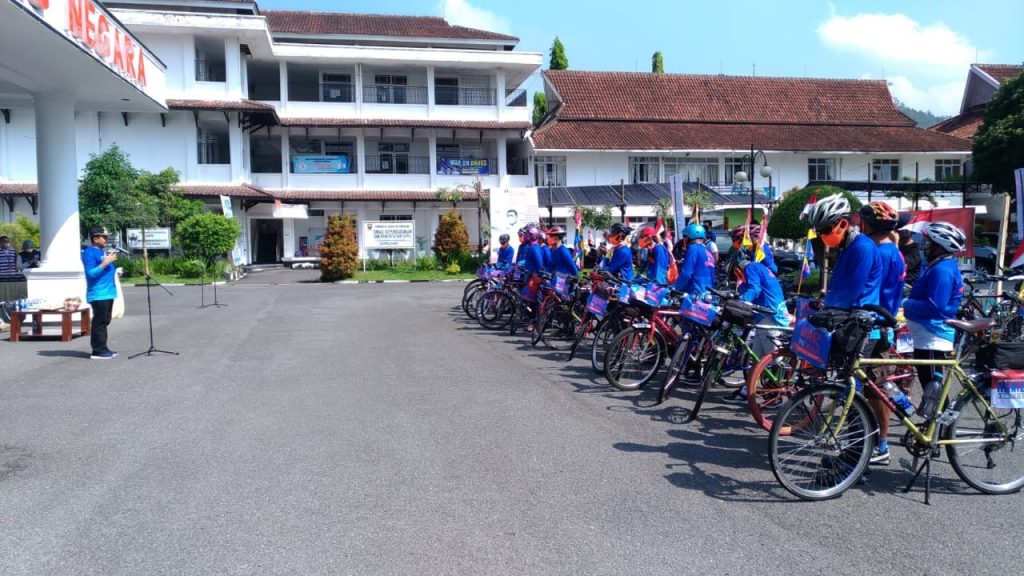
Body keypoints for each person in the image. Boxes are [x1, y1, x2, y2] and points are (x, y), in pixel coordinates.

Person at [859, 201, 907, 465]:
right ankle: (878, 443)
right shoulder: (894, 252)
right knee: (873, 386)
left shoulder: (879, 253)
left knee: (870, 388)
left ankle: (878, 445)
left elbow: (866, 290)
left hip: (872, 326)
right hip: (880, 323)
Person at [903, 221, 965, 419]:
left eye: (928, 243)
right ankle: (935, 431)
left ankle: (938, 433)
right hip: (927, 333)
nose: (924, 246)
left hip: (932, 335)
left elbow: (934, 306)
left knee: (933, 391)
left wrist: (907, 303)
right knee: (931, 387)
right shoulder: (938, 266)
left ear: (940, 247)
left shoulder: (941, 270)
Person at [722, 249, 791, 404]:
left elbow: (755, 289)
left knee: (772, 359)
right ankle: (747, 392)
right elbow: (746, 291)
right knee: (757, 360)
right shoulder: (756, 269)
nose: (737, 278)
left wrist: (739, 303)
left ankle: (775, 397)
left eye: (735, 274)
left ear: (738, 267)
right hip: (764, 317)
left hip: (772, 317)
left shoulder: (751, 267)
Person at [806, 195, 882, 311]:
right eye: (819, 231)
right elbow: (839, 286)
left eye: (826, 230)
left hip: (859, 320)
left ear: (843, 223)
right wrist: (825, 300)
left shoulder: (862, 247)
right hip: (842, 316)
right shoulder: (846, 246)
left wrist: (828, 306)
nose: (822, 235)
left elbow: (851, 291)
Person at [81, 227, 119, 360]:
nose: (106, 239)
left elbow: (105, 270)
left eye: (106, 237)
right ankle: (97, 351)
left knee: (105, 320)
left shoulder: (100, 251)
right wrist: (105, 263)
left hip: (107, 293)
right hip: (99, 293)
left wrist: (116, 270)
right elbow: (91, 273)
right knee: (99, 322)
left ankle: (104, 348)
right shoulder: (89, 252)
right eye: (104, 237)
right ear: (95, 238)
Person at [673, 223, 715, 296]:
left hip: (695, 295)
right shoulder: (708, 252)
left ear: (687, 238)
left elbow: (686, 273)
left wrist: (675, 288)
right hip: (707, 294)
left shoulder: (693, 249)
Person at [898, 228, 922, 294]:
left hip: (906, 285)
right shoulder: (898, 244)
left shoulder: (915, 250)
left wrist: (895, 244)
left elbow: (900, 268)